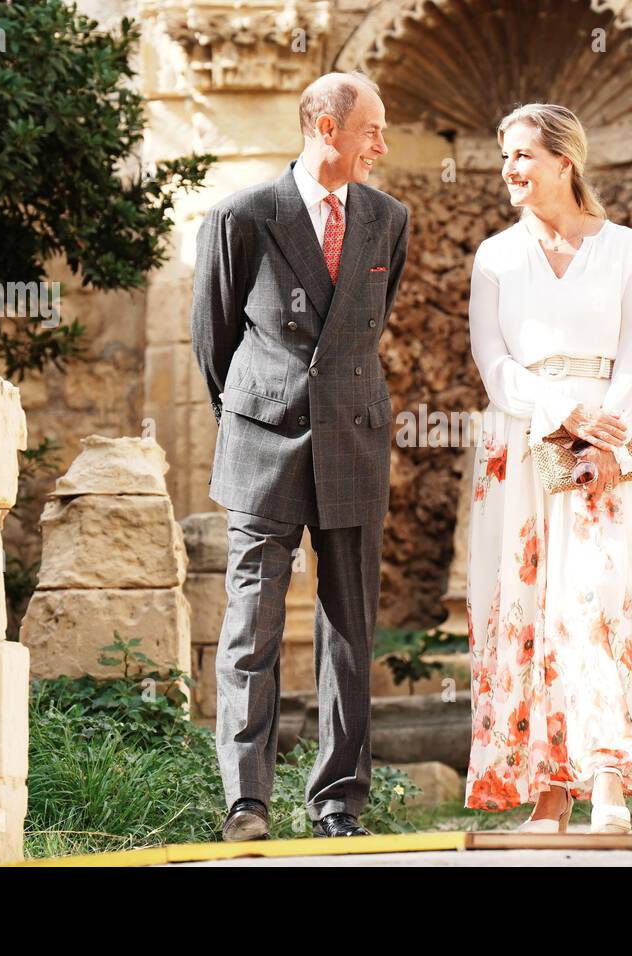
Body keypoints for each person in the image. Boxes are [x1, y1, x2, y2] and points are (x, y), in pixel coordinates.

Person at [189, 71, 409, 840]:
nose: (381, 144)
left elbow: (363, 331)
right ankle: (247, 802)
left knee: (349, 631)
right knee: (251, 628)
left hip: (353, 439)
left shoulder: (389, 220)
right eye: (371, 130)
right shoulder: (243, 215)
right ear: (326, 128)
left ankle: (337, 805)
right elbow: (213, 341)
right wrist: (257, 413)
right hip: (261, 444)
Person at [465, 103, 632, 833]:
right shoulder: (496, 257)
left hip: (611, 437)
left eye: (522, 155)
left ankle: (606, 782)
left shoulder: (624, 248)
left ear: (564, 161)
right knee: (525, 606)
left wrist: (603, 437)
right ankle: (548, 793)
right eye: (504, 156)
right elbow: (492, 362)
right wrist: (560, 416)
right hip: (523, 438)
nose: (509, 169)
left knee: (599, 603)